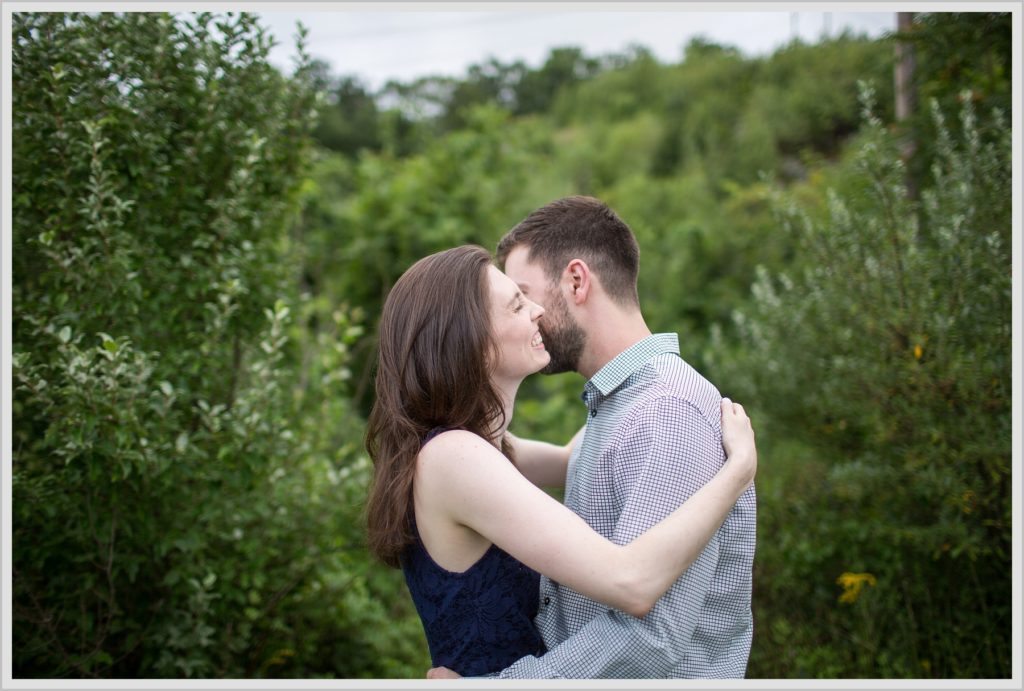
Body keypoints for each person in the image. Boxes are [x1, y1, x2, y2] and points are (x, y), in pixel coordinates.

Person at [365, 244, 757, 678]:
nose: (536, 311)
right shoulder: (456, 458)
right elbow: (631, 582)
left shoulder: (480, 449)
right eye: (516, 303)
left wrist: (640, 362)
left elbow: (576, 457)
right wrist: (736, 472)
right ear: (470, 339)